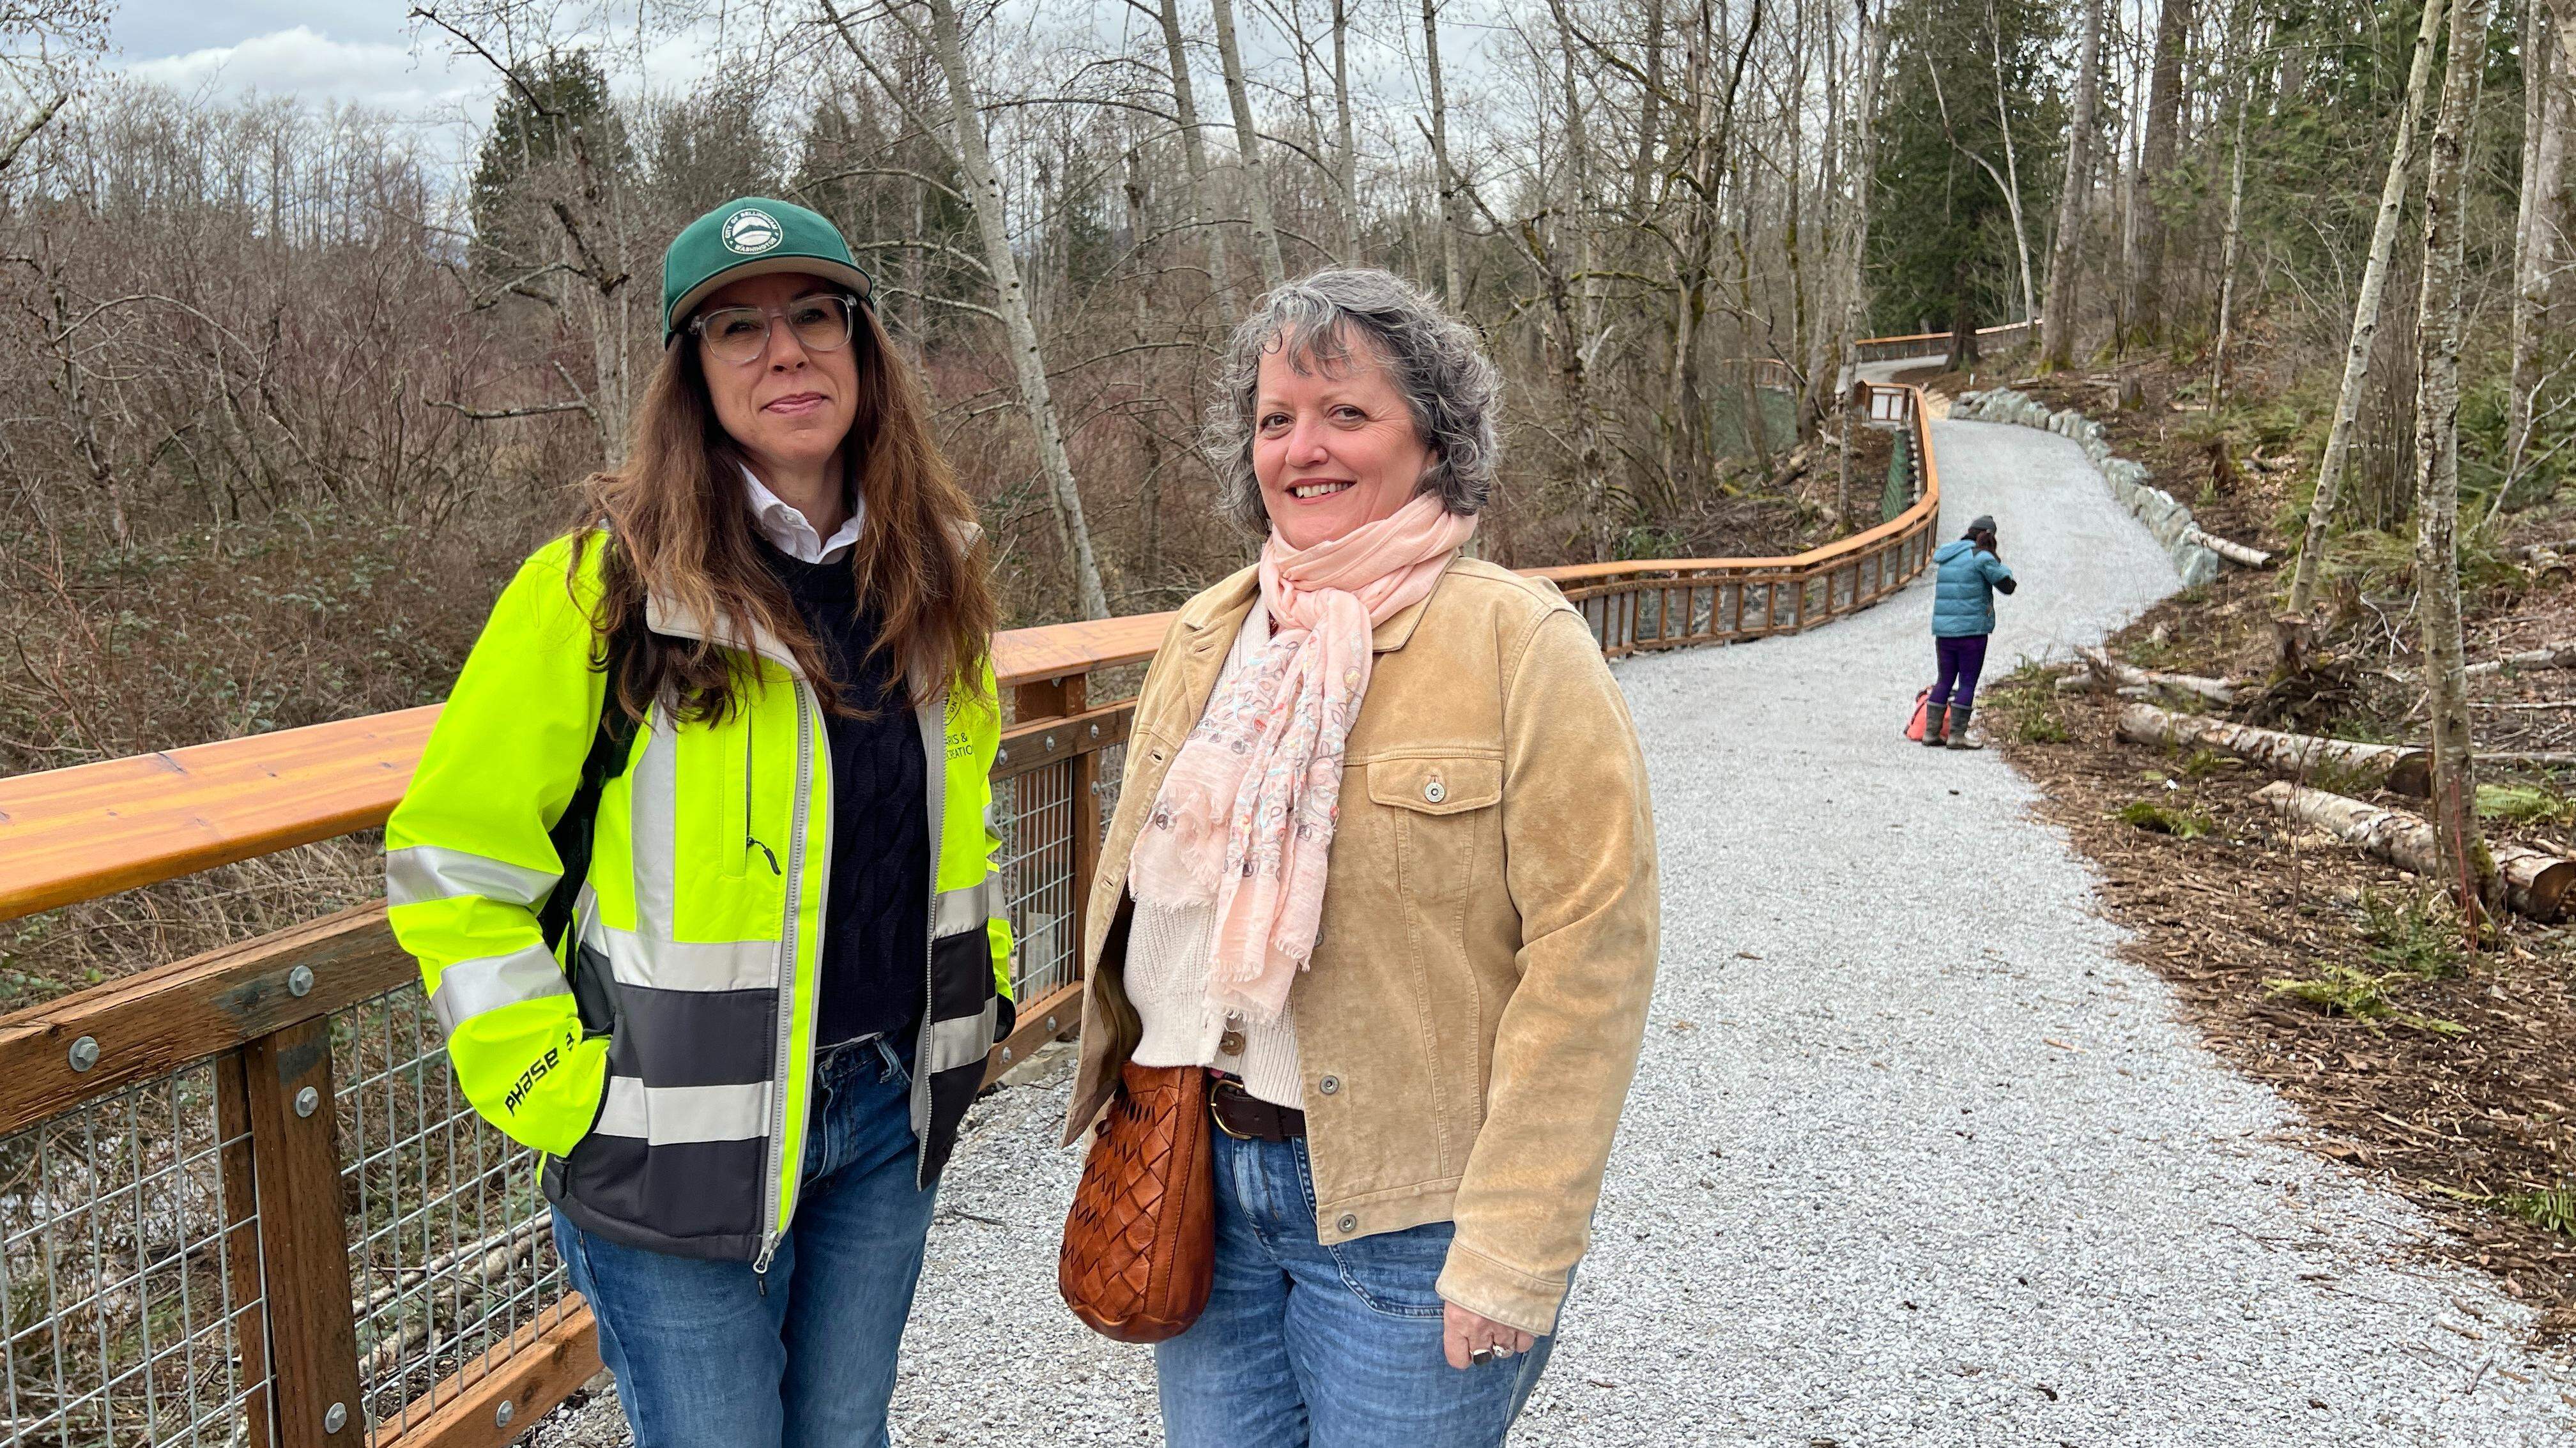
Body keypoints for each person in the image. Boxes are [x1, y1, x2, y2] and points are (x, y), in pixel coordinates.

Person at [384, 197, 1014, 1447]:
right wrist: (559, 1089)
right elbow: (452, 864)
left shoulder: (932, 578)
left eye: (813, 316)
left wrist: (980, 999)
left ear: (863, 347)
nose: (785, 352)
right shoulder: (601, 590)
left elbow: (966, 824)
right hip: (671, 1137)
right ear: (693, 373)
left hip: (885, 1115)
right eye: (738, 328)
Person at [1062, 269, 1661, 1447]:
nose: (1303, 448)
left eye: (1346, 413)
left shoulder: (1518, 643)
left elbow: (1593, 958)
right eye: (1275, 418)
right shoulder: (1210, 631)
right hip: (1195, 1174)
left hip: (1412, 1214)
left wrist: (1515, 1245)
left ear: (1433, 437)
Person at [1926, 513, 2018, 750]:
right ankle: (1957, 736)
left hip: (1944, 632)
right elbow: (2007, 585)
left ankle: (1930, 733)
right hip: (1972, 633)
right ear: (1988, 536)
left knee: (1944, 680)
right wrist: (1996, 557)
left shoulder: (1948, 553)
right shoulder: (1982, 557)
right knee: (1967, 682)